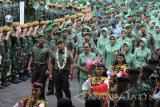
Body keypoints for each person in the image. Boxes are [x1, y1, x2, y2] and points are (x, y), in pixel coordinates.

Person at [28, 33, 51, 100]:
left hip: (43, 67)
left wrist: (48, 70)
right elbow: (32, 57)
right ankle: (34, 97)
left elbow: (49, 60)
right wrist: (29, 66)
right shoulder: (34, 47)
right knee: (33, 82)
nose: (40, 39)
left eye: (41, 38)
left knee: (41, 84)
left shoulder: (47, 49)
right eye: (39, 38)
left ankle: (42, 98)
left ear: (44, 40)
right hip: (35, 67)